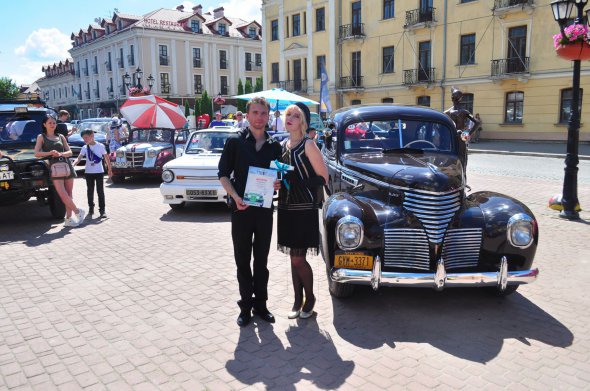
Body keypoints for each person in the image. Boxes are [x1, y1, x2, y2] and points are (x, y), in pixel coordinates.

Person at [218, 97, 282, 327]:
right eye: (255, 112)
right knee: (242, 260)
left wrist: (277, 183)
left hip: (264, 211)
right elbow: (223, 174)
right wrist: (235, 197)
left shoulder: (275, 146)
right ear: (247, 115)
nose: (259, 117)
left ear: (268, 116)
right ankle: (245, 306)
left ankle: (261, 305)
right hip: (241, 210)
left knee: (261, 261)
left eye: (263, 113)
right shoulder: (235, 142)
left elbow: (279, 176)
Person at [278, 102, 328, 320]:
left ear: (303, 122)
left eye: (295, 116)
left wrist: (298, 182)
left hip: (303, 208)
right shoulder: (283, 145)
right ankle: (297, 300)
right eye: (288, 115)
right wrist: (278, 183)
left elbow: (323, 178)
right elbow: (280, 175)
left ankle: (310, 298)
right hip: (285, 207)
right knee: (292, 257)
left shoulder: (308, 145)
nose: (290, 118)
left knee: (299, 259)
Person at [34, 115, 85, 227]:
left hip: (67, 166)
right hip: (54, 168)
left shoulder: (61, 136)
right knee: (62, 194)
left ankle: (68, 219)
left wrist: (61, 154)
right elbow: (36, 153)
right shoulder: (41, 137)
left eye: (54, 123)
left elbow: (70, 152)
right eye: (50, 123)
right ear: (44, 125)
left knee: (69, 193)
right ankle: (78, 211)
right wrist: (50, 153)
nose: (52, 125)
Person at [72, 129, 112, 218]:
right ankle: (91, 209)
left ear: (92, 135)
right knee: (90, 192)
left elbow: (106, 158)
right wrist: (73, 164)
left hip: (99, 172)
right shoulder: (84, 147)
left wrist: (109, 169)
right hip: (88, 172)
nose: (85, 140)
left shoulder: (100, 146)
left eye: (86, 137)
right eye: (83, 138)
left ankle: (102, 210)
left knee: (100, 191)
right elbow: (79, 158)